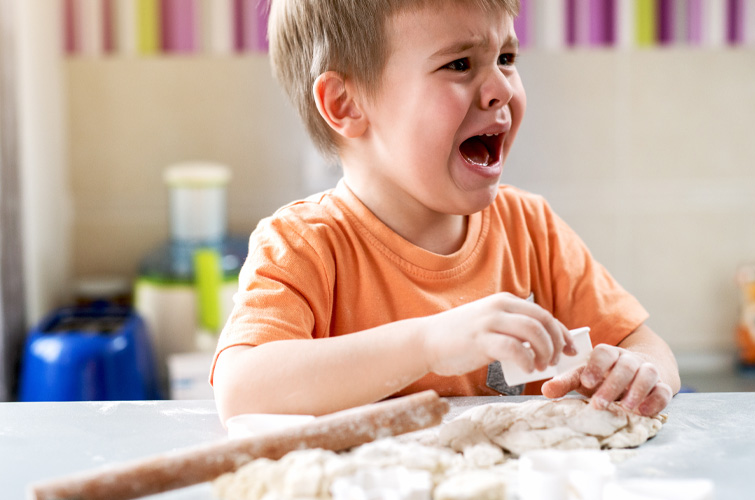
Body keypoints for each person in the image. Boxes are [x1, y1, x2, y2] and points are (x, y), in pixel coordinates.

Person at [211, 0, 680, 421]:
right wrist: (430, 343)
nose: (501, 88)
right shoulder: (303, 245)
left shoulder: (530, 229)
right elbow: (242, 387)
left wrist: (639, 371)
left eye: (507, 58)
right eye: (459, 63)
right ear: (345, 103)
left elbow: (643, 346)